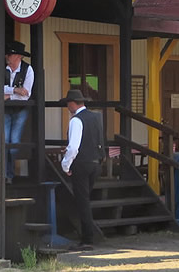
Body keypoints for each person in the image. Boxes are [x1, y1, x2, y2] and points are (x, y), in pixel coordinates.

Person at [60, 89, 106, 251]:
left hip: (81, 164)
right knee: (85, 199)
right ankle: (88, 235)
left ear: (72, 103)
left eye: (67, 103)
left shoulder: (76, 121)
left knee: (82, 201)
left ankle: (87, 239)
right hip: (96, 162)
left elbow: (73, 147)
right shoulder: (95, 118)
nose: (67, 106)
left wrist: (65, 165)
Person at [4, 41, 34, 184]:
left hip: (20, 110)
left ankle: (9, 174)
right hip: (4, 110)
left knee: (14, 143)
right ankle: (6, 175)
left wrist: (8, 95)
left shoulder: (28, 70)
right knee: (4, 142)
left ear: (18, 56)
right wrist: (15, 90)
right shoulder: (2, 68)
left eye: (9, 54)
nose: (6, 57)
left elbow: (26, 94)